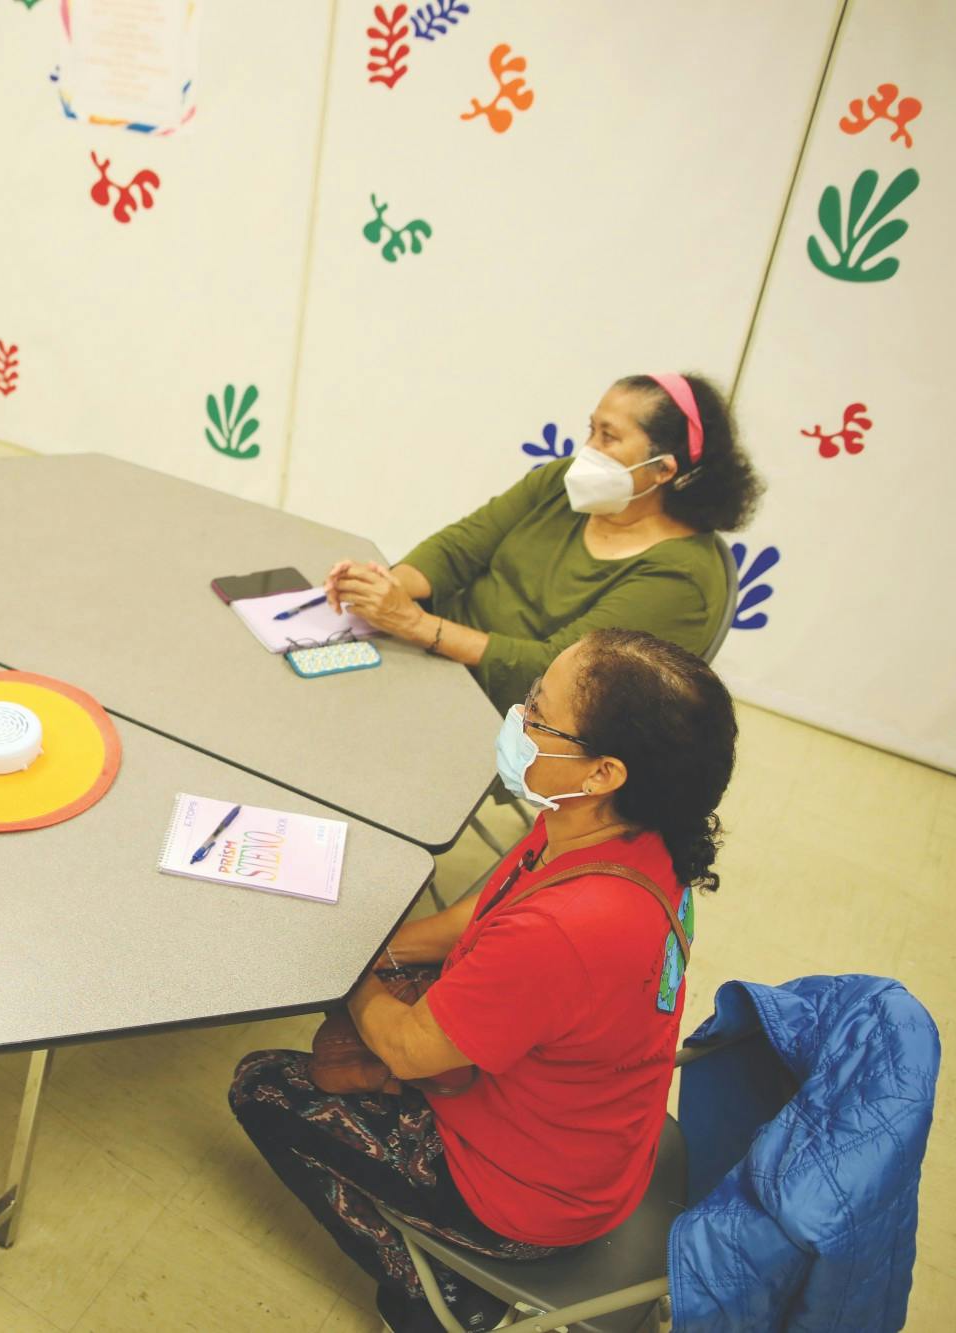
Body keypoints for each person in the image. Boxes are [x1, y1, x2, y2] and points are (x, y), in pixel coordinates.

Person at [229, 628, 738, 1332]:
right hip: (600, 1141)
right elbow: (482, 907)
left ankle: (434, 1302)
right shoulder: (616, 832)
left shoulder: (568, 928)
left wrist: (341, 963)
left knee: (262, 1084)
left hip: (524, 1200)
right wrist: (378, 953)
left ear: (603, 772)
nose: (520, 717)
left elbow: (409, 1050)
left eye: (539, 713)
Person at [325, 373, 760, 712]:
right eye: (591, 430)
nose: (586, 450)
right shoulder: (563, 485)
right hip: (433, 653)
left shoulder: (680, 581)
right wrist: (385, 588)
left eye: (608, 437)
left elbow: (554, 670)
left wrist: (412, 624)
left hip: (517, 708)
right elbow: (462, 545)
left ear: (664, 469)